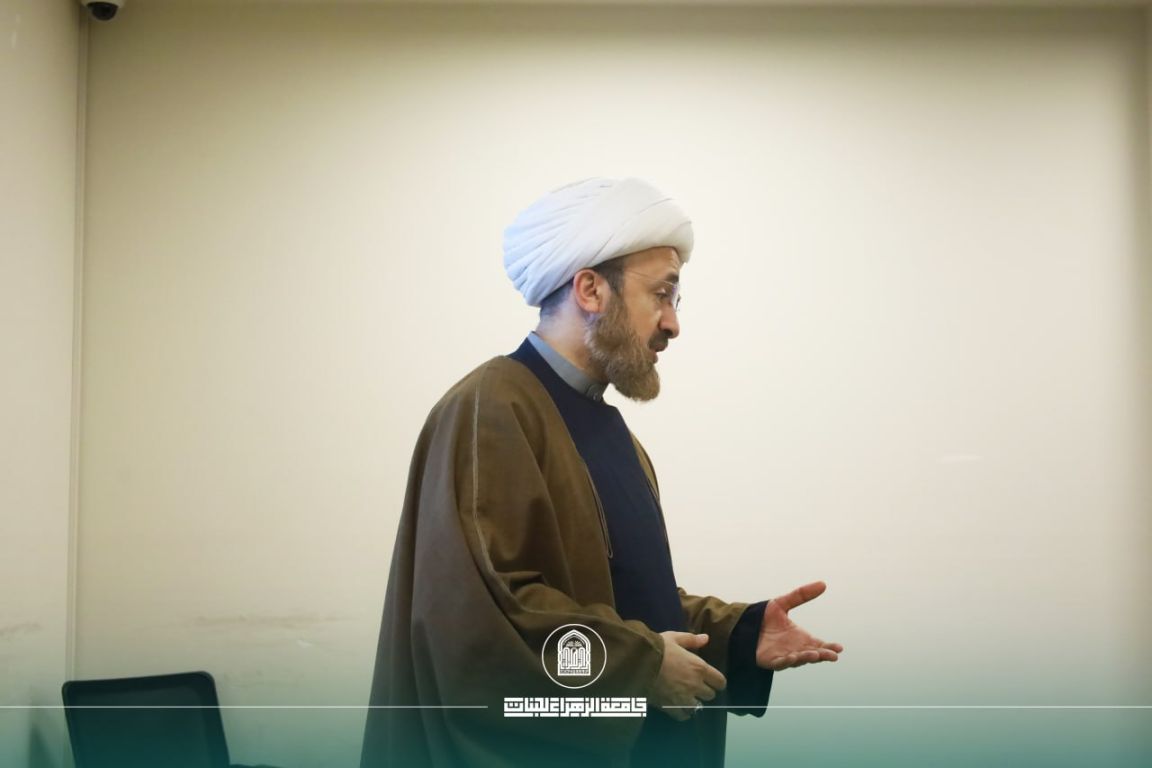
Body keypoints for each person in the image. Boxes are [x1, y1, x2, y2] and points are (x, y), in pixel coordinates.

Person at [360, 177, 843, 768]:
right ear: (590, 289)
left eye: (676, 300)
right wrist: (640, 668)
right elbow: (486, 618)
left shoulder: (612, 432)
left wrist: (738, 633)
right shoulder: (492, 407)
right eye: (661, 294)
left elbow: (624, 599)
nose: (672, 323)